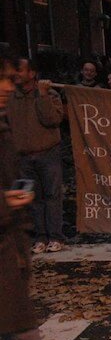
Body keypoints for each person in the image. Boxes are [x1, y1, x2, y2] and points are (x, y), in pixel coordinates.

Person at [0, 53, 83, 340]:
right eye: (3, 79)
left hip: (9, 236)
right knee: (18, 323)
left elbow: (52, 120)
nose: (8, 87)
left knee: (16, 321)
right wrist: (7, 202)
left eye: (12, 79)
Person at [6, 57, 66, 253]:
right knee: (33, 198)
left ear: (32, 74)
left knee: (52, 195)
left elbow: (53, 119)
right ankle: (40, 236)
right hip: (23, 156)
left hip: (48, 153)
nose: (16, 74)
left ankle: (55, 236)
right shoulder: (10, 98)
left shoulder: (49, 94)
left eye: (20, 70)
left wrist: (42, 96)